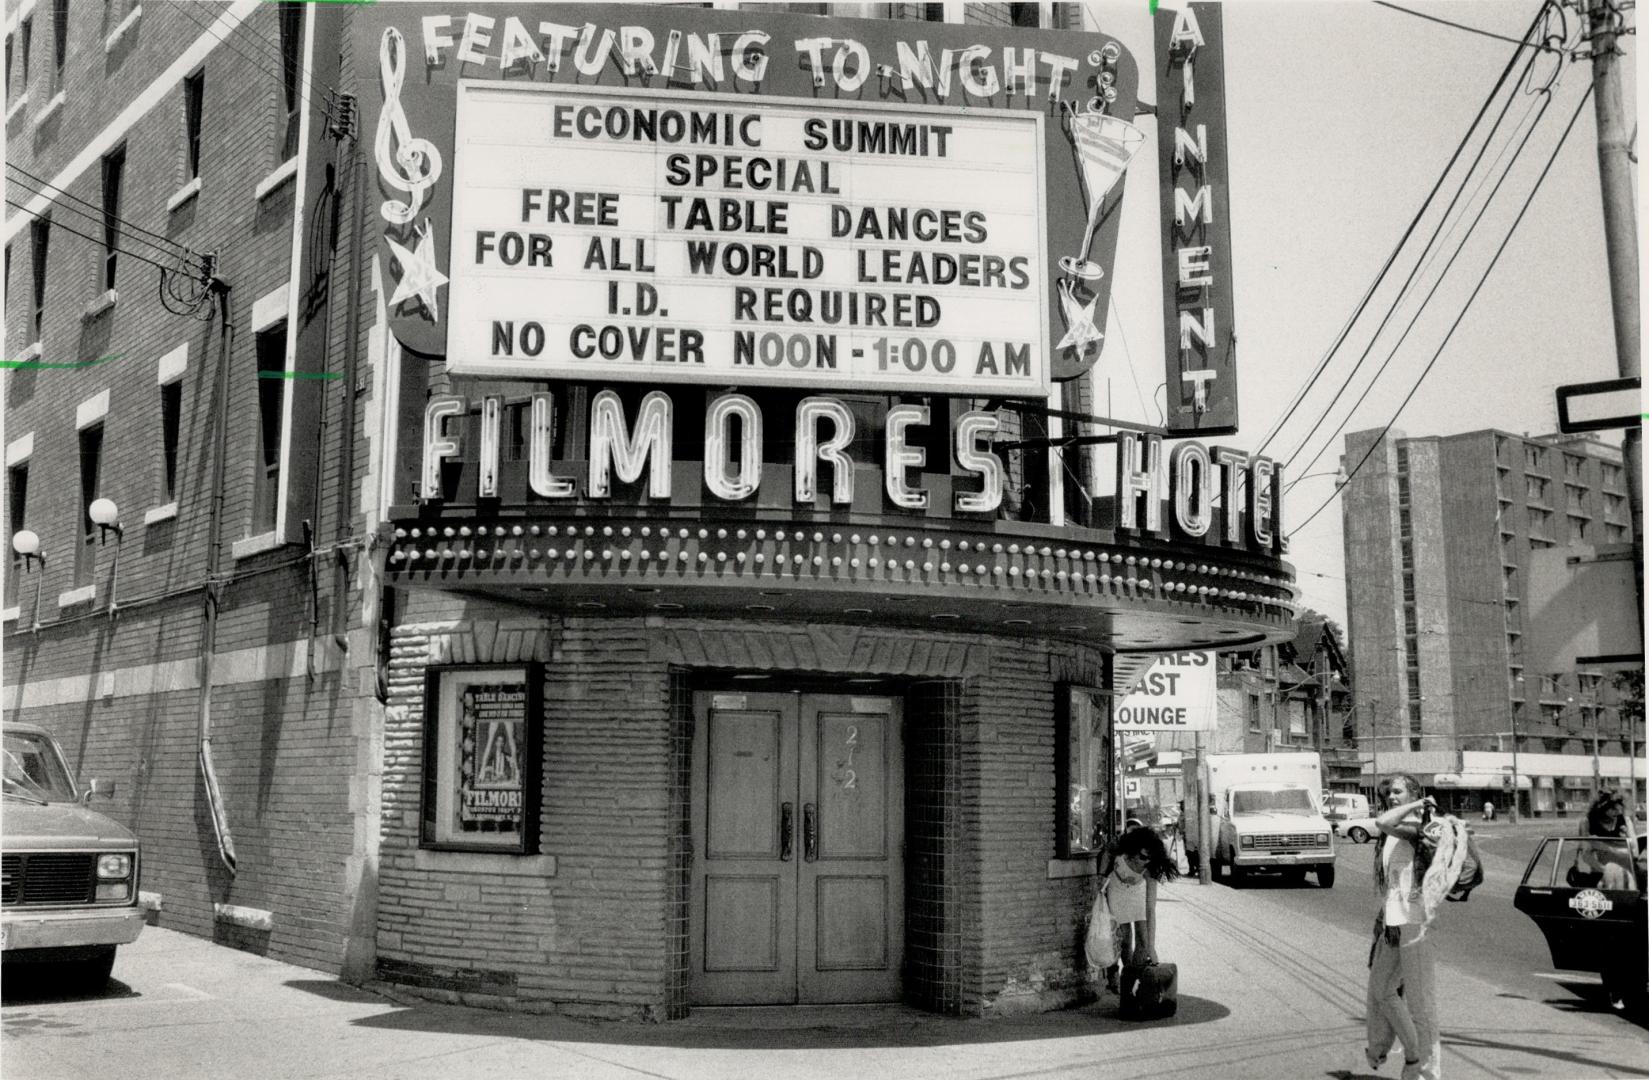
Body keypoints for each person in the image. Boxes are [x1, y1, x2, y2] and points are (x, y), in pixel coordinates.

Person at [1365, 774, 1441, 1080]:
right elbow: (1395, 881)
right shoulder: (1395, 831)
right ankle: (1412, 1054)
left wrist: (1419, 804)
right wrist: (1383, 919)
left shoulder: (1419, 825)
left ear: (1414, 794)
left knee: (1421, 1006)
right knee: (1382, 989)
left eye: (1398, 792)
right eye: (1388, 793)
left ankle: (1427, 1073)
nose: (1391, 797)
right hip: (1395, 922)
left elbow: (1382, 820)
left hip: (1416, 921)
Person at [1105, 824, 1179, 980]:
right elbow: (1106, 853)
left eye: (1150, 858)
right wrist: (1100, 876)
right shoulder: (1121, 845)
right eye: (1143, 857)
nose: (1146, 861)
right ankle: (1121, 972)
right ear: (1133, 850)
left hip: (1137, 890)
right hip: (1117, 887)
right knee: (1124, 937)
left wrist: (1151, 947)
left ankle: (1134, 976)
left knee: (1143, 939)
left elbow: (1150, 909)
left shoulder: (1150, 868)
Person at [1577, 789, 1641, 891]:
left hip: (1626, 871)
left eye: (1620, 808)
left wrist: (1604, 847)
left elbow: (1635, 851)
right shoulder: (1587, 822)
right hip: (1599, 871)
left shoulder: (1625, 820)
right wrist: (1606, 870)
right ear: (1601, 807)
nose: (1618, 812)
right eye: (1613, 809)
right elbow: (1585, 854)